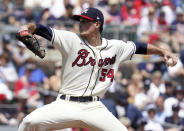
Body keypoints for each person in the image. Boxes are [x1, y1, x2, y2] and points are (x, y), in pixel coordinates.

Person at [18, 7, 177, 131]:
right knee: (29, 122)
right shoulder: (71, 39)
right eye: (80, 20)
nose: (81, 24)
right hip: (65, 104)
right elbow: (40, 28)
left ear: (97, 24)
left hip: (94, 107)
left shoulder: (115, 47)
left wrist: (164, 51)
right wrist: (26, 28)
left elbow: (140, 47)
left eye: (86, 21)